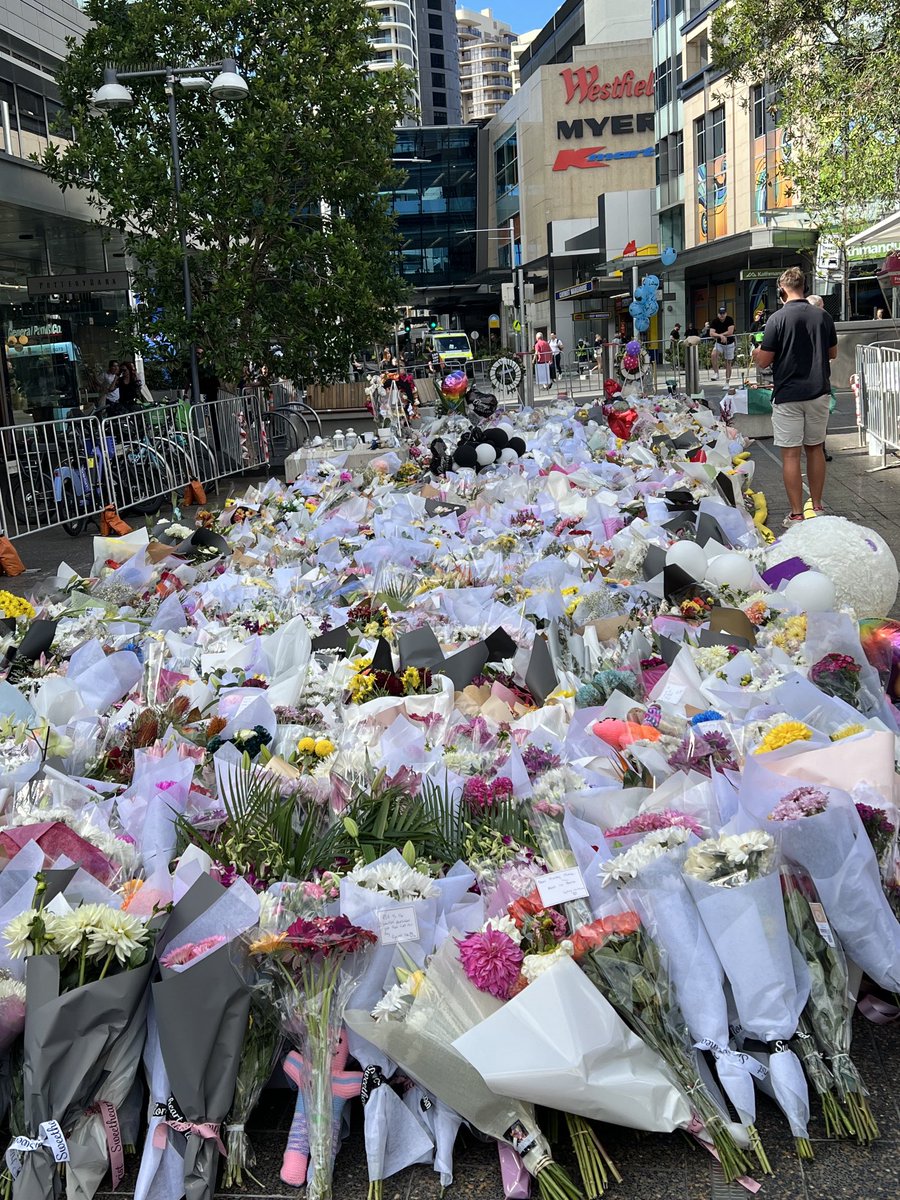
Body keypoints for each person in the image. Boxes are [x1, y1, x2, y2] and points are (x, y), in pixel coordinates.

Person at [752, 266, 837, 527]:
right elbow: (832, 353)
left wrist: (757, 354)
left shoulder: (776, 319)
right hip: (818, 392)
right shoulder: (822, 316)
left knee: (790, 455)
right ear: (805, 288)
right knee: (815, 450)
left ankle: (797, 514)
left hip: (788, 394)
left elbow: (765, 362)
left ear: (781, 290)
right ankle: (819, 506)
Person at [807, 295, 834, 463]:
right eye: (822, 305)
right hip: (819, 382)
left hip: (797, 386)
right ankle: (821, 450)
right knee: (817, 433)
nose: (824, 309)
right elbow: (833, 352)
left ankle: (821, 450)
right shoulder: (824, 320)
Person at [709, 304, 736, 382]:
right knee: (713, 355)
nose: (722, 315)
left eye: (723, 313)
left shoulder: (729, 319)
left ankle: (727, 382)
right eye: (720, 313)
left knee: (728, 363)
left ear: (726, 314)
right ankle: (716, 373)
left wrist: (721, 335)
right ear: (718, 314)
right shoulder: (715, 321)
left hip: (730, 343)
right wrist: (721, 336)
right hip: (719, 343)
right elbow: (711, 333)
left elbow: (730, 332)